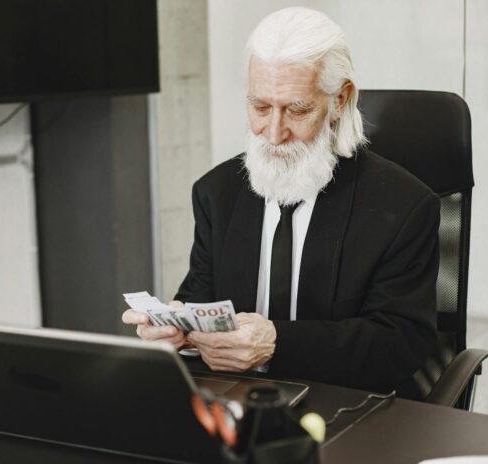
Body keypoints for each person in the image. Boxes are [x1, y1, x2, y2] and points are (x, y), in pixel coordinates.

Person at [123, 7, 439, 397]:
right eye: (260, 107)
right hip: (237, 402)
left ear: (340, 100)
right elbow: (199, 300)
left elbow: (400, 344)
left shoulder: (405, 206)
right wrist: (175, 329)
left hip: (349, 404)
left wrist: (277, 344)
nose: (273, 134)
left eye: (297, 109)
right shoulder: (215, 193)